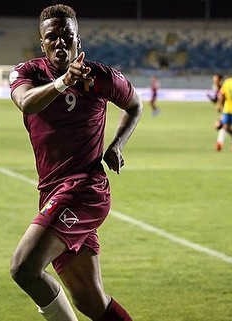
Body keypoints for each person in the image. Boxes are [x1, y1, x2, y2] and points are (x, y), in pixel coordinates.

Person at [9, 4, 142, 321]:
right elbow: (26, 103)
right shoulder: (28, 73)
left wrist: (117, 145)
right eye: (51, 37)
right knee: (90, 302)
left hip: (84, 191)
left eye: (66, 36)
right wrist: (62, 82)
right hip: (53, 191)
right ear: (42, 43)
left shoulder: (101, 77)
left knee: (24, 268)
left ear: (78, 41)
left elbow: (135, 105)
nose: (59, 43)